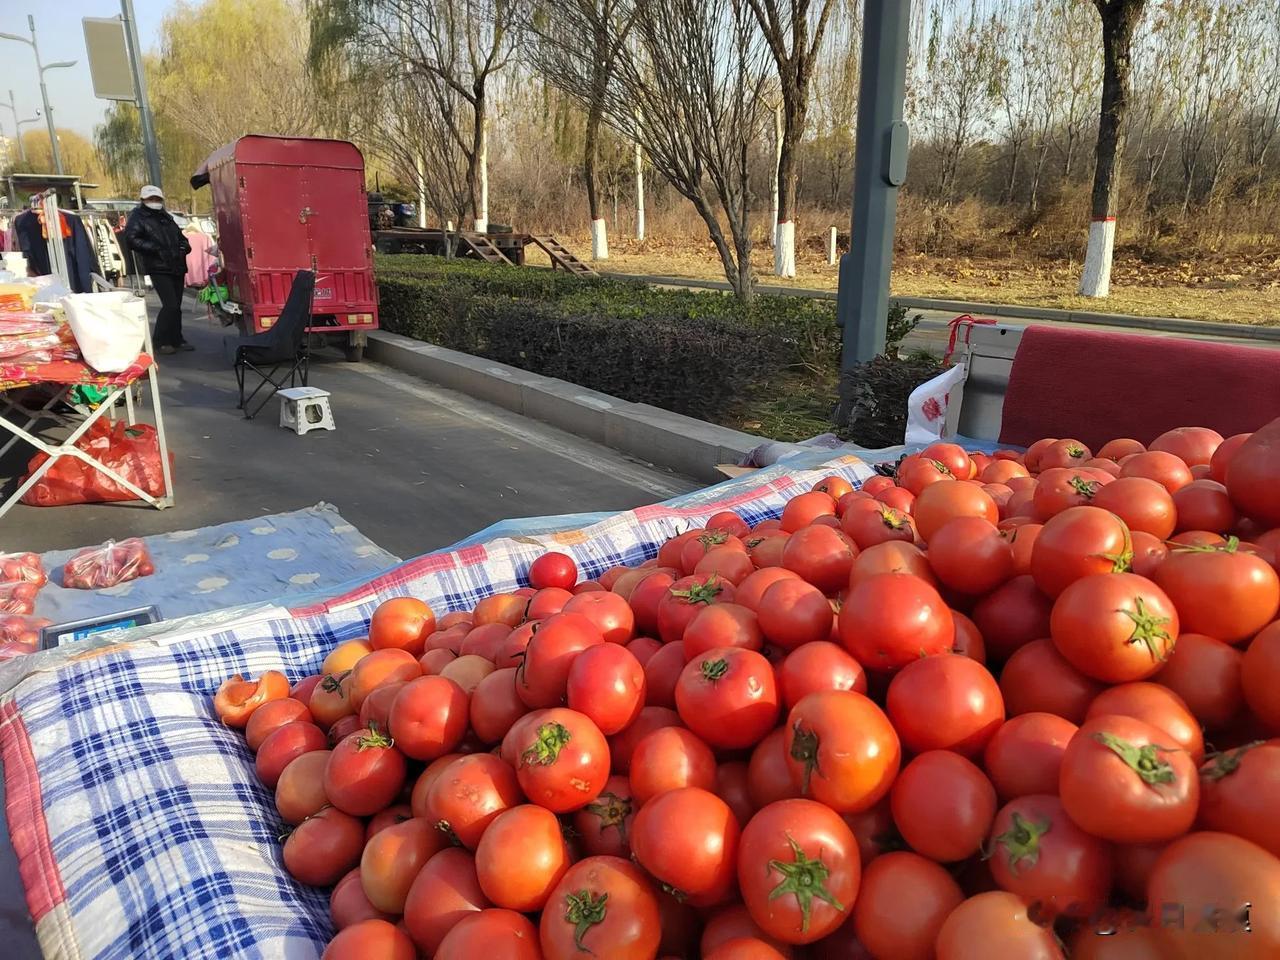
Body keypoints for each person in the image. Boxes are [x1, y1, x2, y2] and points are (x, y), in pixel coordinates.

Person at [124, 185, 192, 354]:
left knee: (176, 305)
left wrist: (184, 247)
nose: (154, 202)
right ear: (143, 200)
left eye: (157, 199)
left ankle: (177, 339)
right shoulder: (138, 217)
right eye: (151, 199)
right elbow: (131, 239)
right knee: (170, 305)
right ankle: (161, 341)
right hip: (158, 266)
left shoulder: (167, 217)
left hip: (176, 264)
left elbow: (180, 238)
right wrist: (155, 248)